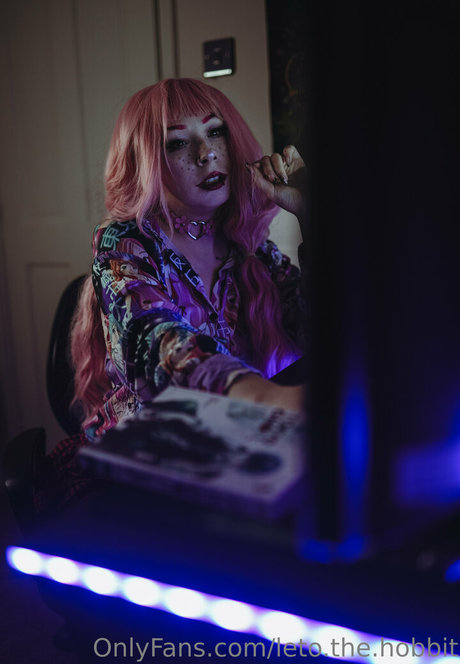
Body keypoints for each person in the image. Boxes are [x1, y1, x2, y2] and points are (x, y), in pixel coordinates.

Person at [34, 78, 308, 516]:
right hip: (144, 462)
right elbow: (159, 343)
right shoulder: (124, 242)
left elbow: (324, 331)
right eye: (178, 143)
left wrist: (312, 215)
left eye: (215, 132)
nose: (206, 154)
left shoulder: (249, 246)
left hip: (233, 448)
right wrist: (263, 397)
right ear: (146, 162)